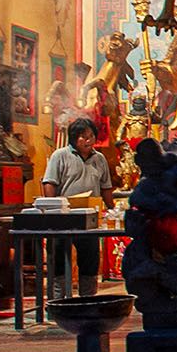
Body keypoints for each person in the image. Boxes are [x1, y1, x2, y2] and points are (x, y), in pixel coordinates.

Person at [38, 118, 111, 295]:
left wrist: (111, 209)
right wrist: (53, 208)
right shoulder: (60, 155)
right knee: (58, 256)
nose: (88, 140)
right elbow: (50, 183)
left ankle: (88, 298)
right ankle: (57, 300)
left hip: (90, 218)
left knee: (90, 258)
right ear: (73, 138)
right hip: (64, 216)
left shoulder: (99, 159)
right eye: (83, 137)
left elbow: (106, 187)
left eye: (91, 136)